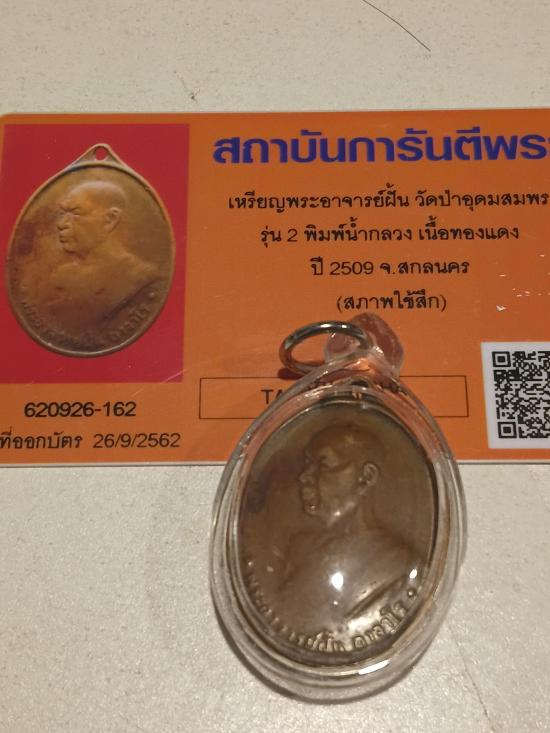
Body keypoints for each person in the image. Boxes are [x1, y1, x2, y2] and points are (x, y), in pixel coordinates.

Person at [274, 423, 418, 631]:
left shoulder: (400, 563)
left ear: (366, 478)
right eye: (307, 464)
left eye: (323, 464)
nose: (304, 476)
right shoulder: (300, 549)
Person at [46, 179, 159, 330]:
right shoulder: (62, 277)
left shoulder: (141, 278)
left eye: (75, 213)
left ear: (110, 219)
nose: (61, 224)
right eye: (62, 214)